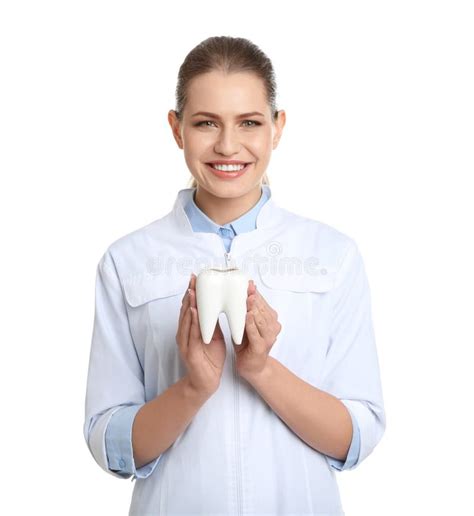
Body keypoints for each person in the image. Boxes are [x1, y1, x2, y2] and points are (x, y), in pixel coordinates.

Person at [83, 35, 386, 515]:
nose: (228, 145)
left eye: (249, 122)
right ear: (177, 128)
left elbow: (357, 434)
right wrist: (193, 387)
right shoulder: (128, 260)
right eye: (206, 123)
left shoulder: (333, 255)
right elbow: (109, 441)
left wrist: (262, 370)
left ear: (277, 127)